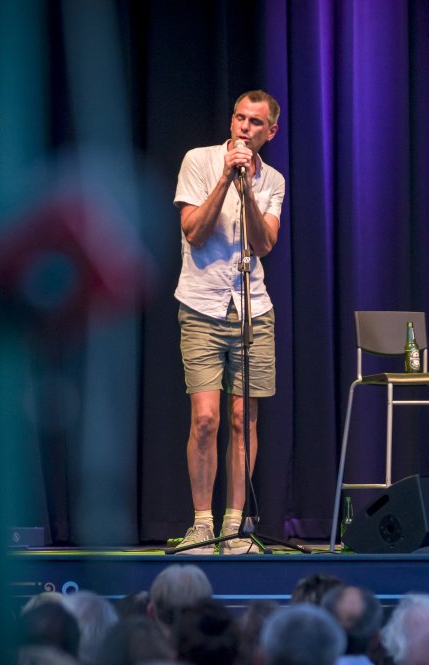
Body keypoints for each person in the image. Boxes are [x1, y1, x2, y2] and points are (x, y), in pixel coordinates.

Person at [173, 89, 285, 553]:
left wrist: (247, 191)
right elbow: (194, 232)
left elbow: (264, 244)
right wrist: (225, 178)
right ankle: (202, 524)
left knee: (243, 419)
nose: (244, 127)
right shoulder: (199, 161)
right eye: (240, 118)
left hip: (252, 309)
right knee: (205, 418)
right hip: (201, 306)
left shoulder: (273, 180)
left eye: (255, 122)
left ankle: (235, 526)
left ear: (270, 132)